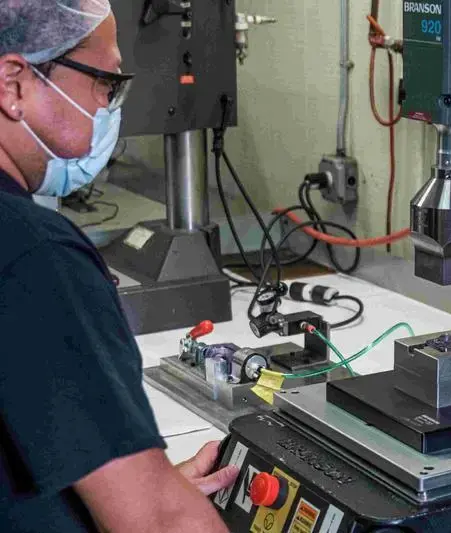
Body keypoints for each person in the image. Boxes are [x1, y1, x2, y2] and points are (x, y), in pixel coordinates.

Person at [0, 1, 238, 531]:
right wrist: (156, 506)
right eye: (105, 81)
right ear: (13, 84)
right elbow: (158, 526)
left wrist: (135, 484)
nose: (109, 106)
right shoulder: (37, 255)